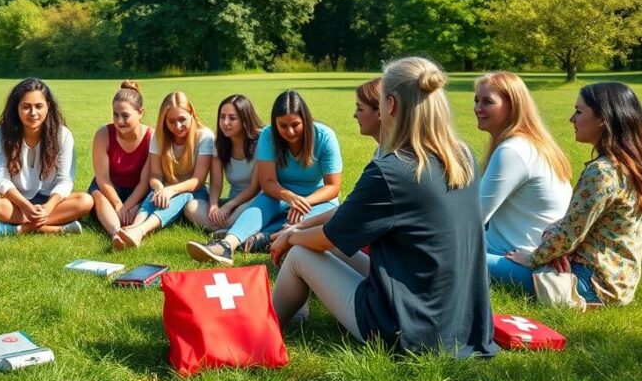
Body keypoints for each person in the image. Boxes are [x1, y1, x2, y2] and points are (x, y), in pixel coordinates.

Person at [269, 57, 497, 358]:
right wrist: (299, 228)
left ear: (389, 105)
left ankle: (262, 330)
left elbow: (328, 238)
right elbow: (350, 220)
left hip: (409, 330)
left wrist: (290, 237)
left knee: (300, 255)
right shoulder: (461, 155)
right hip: (463, 322)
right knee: (325, 248)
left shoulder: (393, 169)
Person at [504, 82, 642, 307]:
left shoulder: (602, 171)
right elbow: (574, 231)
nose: (571, 119)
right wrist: (556, 245)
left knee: (482, 264)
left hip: (591, 283)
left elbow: (569, 234)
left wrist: (531, 259)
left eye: (579, 111)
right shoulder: (630, 165)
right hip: (619, 282)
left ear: (603, 119)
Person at [187, 90, 341, 263]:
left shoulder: (324, 137)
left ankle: (264, 238)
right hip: (278, 194)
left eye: (295, 124)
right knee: (262, 205)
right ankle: (226, 245)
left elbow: (333, 187)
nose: (290, 131)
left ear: (305, 120)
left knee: (313, 221)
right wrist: (288, 196)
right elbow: (267, 183)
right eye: (282, 126)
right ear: (275, 124)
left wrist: (305, 202)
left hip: (317, 199)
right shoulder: (268, 135)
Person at [473, 72, 573, 289]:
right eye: (476, 100)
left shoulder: (514, 150)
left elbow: (474, 216)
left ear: (513, 106)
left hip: (521, 263)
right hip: (538, 259)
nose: (477, 108)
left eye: (487, 102)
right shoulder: (531, 144)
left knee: (435, 254)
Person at [0, 78, 93, 235]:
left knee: (85, 201)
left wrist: (48, 208)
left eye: (39, 106)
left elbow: (65, 181)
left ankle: (18, 229)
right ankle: (54, 228)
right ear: (16, 108)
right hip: (16, 202)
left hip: (50, 202)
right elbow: (0, 180)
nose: (33, 113)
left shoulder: (62, 135)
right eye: (26, 107)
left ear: (48, 107)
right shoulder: (0, 134)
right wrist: (26, 206)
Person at [113, 91, 214, 250]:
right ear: (164, 121)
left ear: (191, 114)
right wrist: (160, 188)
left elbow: (198, 180)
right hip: (167, 189)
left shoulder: (204, 136)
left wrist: (170, 190)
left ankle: (141, 231)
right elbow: (155, 175)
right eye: (171, 121)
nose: (178, 126)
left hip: (195, 192)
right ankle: (133, 227)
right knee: (155, 193)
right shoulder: (159, 137)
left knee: (183, 195)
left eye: (182, 120)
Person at [184, 95, 263, 233]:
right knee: (191, 207)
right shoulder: (220, 144)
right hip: (232, 202)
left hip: (255, 200)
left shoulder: (261, 141)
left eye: (232, 118)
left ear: (245, 119)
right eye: (222, 117)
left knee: (245, 210)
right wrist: (214, 206)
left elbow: (254, 188)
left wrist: (228, 207)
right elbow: (216, 184)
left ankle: (229, 228)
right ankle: (231, 228)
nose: (225, 122)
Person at [89, 81, 152, 240]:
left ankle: (134, 230)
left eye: (125, 115)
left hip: (139, 191)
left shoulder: (152, 137)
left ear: (140, 112)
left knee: (150, 199)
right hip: (109, 190)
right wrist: (118, 205)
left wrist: (129, 204)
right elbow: (102, 178)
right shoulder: (103, 134)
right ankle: (117, 233)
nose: (119, 121)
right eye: (115, 114)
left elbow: (145, 181)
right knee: (97, 195)